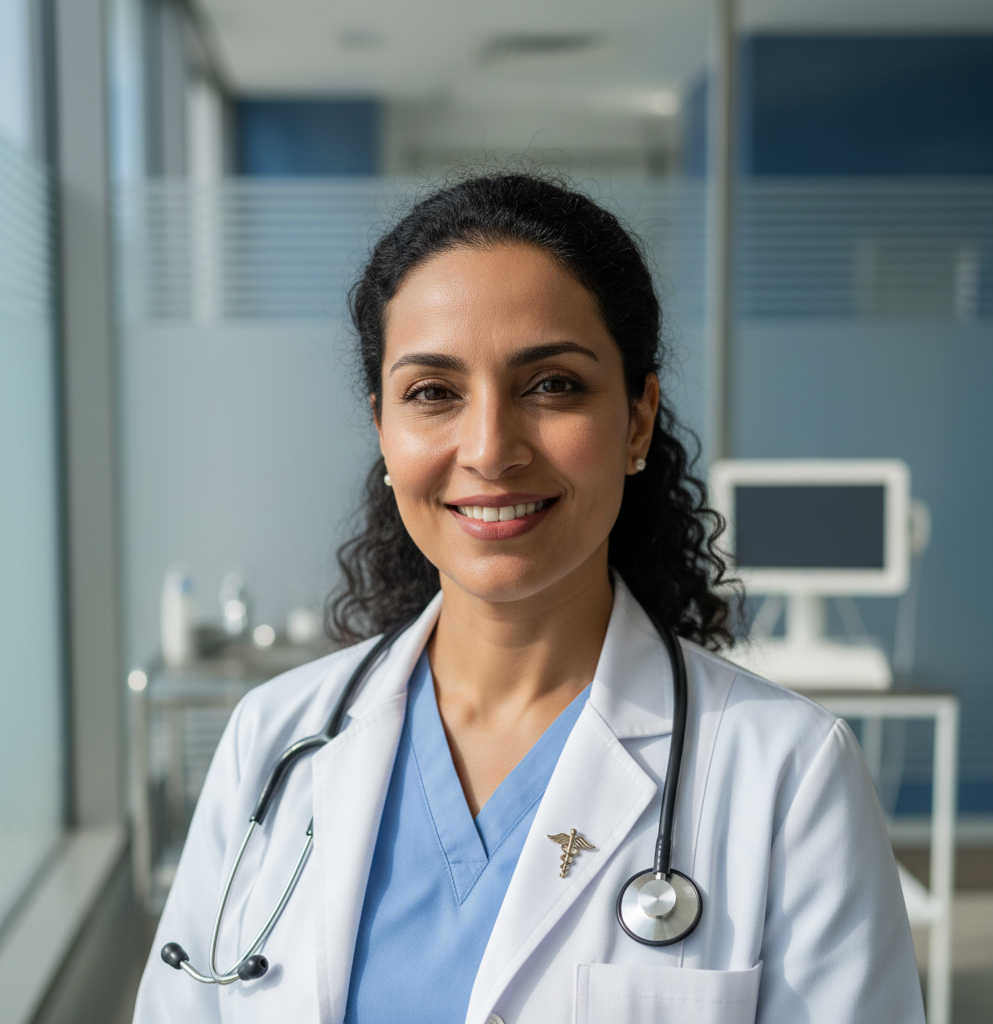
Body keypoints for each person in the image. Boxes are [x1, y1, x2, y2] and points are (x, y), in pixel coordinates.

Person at [133, 173, 924, 1024]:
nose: (489, 448)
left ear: (637, 420)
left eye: (551, 385)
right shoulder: (274, 739)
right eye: (433, 392)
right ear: (384, 434)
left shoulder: (788, 777)